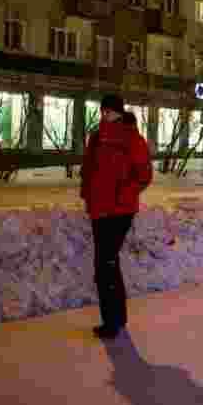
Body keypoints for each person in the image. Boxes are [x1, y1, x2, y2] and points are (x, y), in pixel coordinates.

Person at [81, 94, 153, 339]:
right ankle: (114, 318)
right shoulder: (97, 136)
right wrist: (87, 193)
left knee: (107, 263)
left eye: (109, 111)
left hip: (120, 210)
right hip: (99, 208)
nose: (105, 115)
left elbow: (144, 175)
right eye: (103, 111)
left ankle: (113, 321)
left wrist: (124, 193)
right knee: (105, 264)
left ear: (119, 112)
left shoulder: (132, 138)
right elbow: (88, 168)